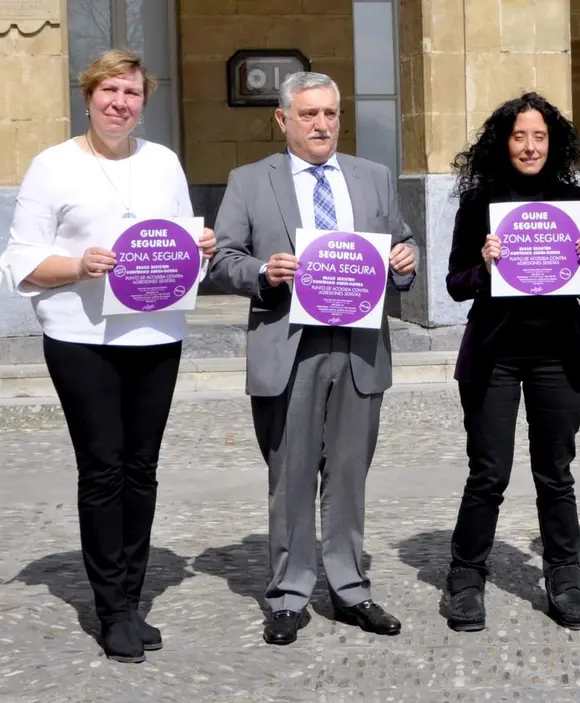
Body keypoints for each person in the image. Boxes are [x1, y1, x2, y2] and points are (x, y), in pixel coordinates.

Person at [0, 48, 215, 663]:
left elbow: (176, 244)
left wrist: (201, 245)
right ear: (88, 96)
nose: (121, 103)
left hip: (155, 333)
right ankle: (110, 608)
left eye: (133, 94)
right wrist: (79, 266)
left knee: (142, 468)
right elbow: (22, 260)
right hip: (81, 337)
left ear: (145, 101)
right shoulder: (52, 166)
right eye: (110, 91)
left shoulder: (163, 161)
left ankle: (133, 599)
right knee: (104, 468)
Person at [208, 71, 418, 646]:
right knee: (291, 475)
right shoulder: (250, 181)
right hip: (288, 343)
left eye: (330, 113)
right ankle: (289, 594)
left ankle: (350, 588)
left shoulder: (372, 177)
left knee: (349, 474)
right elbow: (222, 259)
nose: (322, 124)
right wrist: (262, 272)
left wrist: (405, 259)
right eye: (308, 115)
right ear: (283, 120)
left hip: (359, 347)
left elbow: (404, 244)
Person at [441, 93, 580, 633]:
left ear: (552, 143)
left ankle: (564, 578)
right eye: (519, 136)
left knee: (555, 474)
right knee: (488, 473)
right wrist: (484, 265)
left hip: (558, 354)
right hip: (495, 356)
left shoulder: (572, 199)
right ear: (502, 142)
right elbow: (455, 284)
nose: (530, 146)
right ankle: (465, 577)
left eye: (539, 136)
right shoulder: (480, 203)